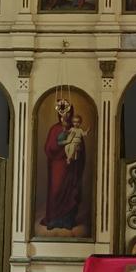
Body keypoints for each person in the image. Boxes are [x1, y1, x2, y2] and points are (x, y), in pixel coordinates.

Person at [40, 98, 86, 232]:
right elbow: (49, 148)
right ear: (59, 114)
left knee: (70, 191)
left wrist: (77, 149)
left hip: (72, 166)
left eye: (67, 113)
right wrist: (62, 142)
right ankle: (54, 219)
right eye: (62, 113)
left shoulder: (75, 129)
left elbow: (81, 146)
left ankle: (67, 220)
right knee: (56, 191)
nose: (65, 116)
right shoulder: (55, 129)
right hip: (57, 166)